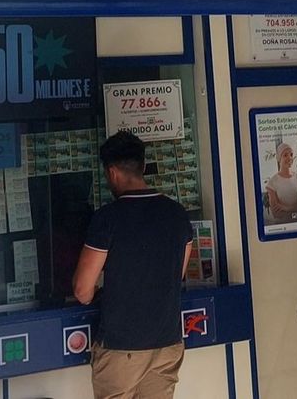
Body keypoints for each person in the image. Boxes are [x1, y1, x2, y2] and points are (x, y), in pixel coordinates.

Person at [73, 131, 194, 399]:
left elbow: (82, 291)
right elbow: (179, 273)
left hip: (122, 348)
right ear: (141, 166)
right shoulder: (177, 215)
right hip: (167, 344)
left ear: (113, 172)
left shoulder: (107, 219)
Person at [263, 141, 297, 222]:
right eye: (285, 155)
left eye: (291, 154)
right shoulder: (272, 182)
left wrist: (287, 208)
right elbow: (276, 214)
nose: (290, 158)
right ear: (279, 158)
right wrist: (296, 209)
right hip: (282, 224)